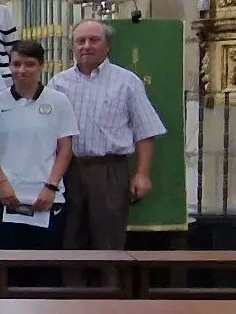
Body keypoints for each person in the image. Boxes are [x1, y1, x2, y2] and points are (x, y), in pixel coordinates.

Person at [49, 19, 166, 251]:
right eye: (80, 41)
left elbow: (146, 131)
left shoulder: (127, 82)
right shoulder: (58, 84)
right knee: (70, 237)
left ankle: (111, 287)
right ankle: (73, 287)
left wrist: (142, 174)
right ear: (72, 46)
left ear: (108, 45)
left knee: (109, 240)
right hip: (68, 170)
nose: (86, 46)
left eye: (94, 40)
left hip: (109, 171)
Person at [0, 41, 77, 274]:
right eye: (16, 64)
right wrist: (2, 184)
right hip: (6, 196)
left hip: (45, 197)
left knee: (45, 269)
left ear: (41, 66)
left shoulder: (58, 101)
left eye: (29, 64)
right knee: (9, 268)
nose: (22, 70)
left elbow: (65, 149)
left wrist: (51, 186)